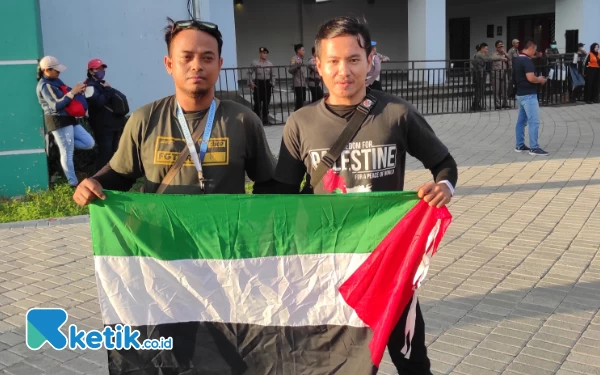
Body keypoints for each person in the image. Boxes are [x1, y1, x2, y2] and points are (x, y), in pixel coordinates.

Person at [274, 16, 457, 374]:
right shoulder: (300, 123)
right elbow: (281, 195)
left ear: (371, 59)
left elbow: (444, 162)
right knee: (340, 364)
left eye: (354, 59)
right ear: (318, 65)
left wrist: (443, 186)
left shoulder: (396, 114)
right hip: (328, 271)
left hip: (389, 266)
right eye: (333, 61)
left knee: (413, 363)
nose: (344, 70)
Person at [73, 18, 275, 206]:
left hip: (223, 240)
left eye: (207, 58)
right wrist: (94, 183)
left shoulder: (243, 120)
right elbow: (121, 174)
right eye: (186, 57)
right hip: (162, 239)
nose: (196, 66)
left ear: (219, 65)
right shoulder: (144, 119)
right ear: (169, 64)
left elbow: (268, 182)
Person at [36, 56, 95, 187]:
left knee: (89, 142)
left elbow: (66, 92)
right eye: (56, 70)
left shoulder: (55, 80)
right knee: (67, 153)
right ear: (46, 70)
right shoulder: (45, 85)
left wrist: (78, 90)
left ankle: (59, 143)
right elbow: (56, 105)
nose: (59, 72)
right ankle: (73, 183)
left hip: (68, 117)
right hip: (58, 120)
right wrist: (73, 92)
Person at [85, 58, 128, 172]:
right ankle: (99, 178)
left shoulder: (101, 84)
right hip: (102, 126)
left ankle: (110, 176)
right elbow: (99, 102)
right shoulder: (89, 87)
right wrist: (108, 89)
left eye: (102, 68)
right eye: (97, 69)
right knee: (105, 152)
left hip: (113, 124)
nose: (101, 71)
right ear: (90, 71)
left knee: (113, 152)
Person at [512, 39, 548, 156]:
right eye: (535, 49)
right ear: (530, 48)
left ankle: (520, 145)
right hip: (529, 95)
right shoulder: (527, 61)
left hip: (520, 94)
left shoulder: (517, 59)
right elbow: (531, 78)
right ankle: (534, 147)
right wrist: (540, 80)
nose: (535, 52)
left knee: (521, 122)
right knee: (534, 121)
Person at [472, 43, 506, 110]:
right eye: (486, 48)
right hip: (479, 74)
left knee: (480, 90)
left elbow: (489, 56)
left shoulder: (481, 54)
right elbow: (489, 58)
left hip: (481, 74)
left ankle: (476, 104)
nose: (487, 50)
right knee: (479, 90)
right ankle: (475, 105)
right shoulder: (480, 54)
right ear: (482, 48)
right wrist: (501, 57)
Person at [248, 47, 275, 124]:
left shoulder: (270, 64)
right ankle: (256, 120)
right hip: (258, 83)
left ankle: (265, 119)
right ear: (260, 53)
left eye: (266, 53)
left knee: (266, 102)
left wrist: (272, 83)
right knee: (257, 102)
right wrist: (251, 83)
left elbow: (273, 74)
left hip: (267, 83)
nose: (264, 55)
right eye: (263, 53)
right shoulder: (255, 63)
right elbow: (249, 73)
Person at [491, 40, 510, 109]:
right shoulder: (494, 54)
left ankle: (505, 103)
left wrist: (505, 53)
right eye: (499, 46)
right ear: (496, 47)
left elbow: (510, 58)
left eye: (502, 46)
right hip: (496, 74)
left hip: (504, 73)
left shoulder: (504, 53)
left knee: (505, 89)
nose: (501, 47)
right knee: (496, 90)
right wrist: (501, 58)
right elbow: (492, 58)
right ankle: (497, 104)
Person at [288, 43, 306, 111]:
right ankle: (297, 113)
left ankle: (300, 113)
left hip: (303, 82)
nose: (304, 51)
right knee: (299, 100)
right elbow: (290, 70)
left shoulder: (301, 59)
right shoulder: (294, 59)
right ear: (298, 50)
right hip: (298, 82)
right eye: (303, 50)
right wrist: (297, 67)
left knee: (303, 99)